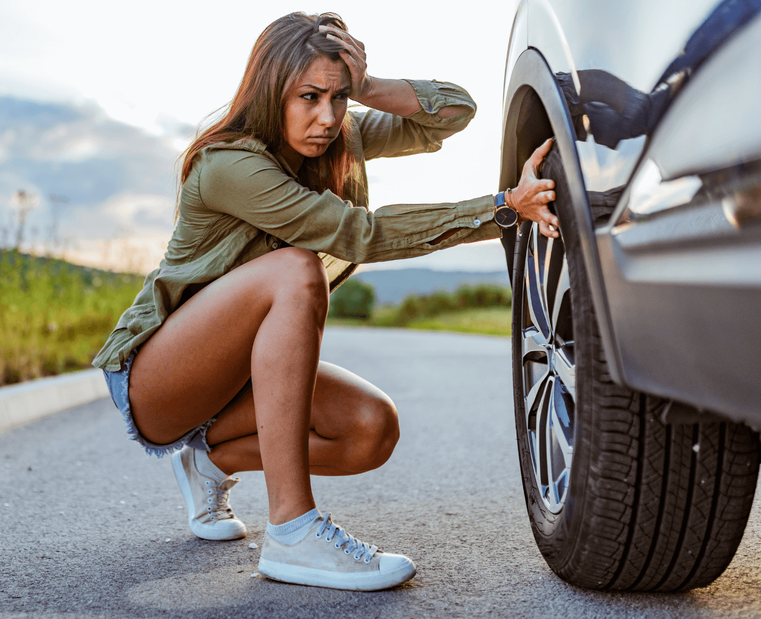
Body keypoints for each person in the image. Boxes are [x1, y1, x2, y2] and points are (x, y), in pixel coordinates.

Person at [93, 12, 558, 591]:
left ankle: (211, 460)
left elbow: (455, 113)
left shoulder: (342, 131)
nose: (327, 117)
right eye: (309, 96)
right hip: (158, 379)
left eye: (338, 97)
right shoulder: (230, 164)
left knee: (370, 427)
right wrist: (500, 209)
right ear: (271, 91)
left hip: (235, 383)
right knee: (294, 270)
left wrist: (367, 87)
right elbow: (355, 234)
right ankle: (292, 534)